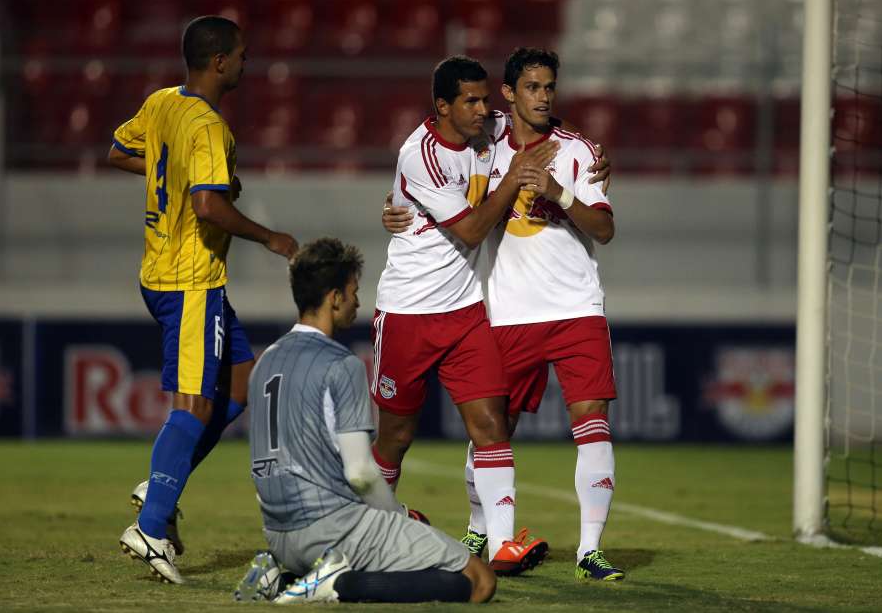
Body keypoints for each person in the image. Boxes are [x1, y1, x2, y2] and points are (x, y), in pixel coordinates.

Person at [383, 47, 624, 581]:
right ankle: (481, 526)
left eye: (550, 88)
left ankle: (590, 550)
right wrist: (399, 208)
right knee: (494, 428)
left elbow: (604, 230)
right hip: (508, 309)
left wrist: (559, 192)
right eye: (532, 88)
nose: (543, 97)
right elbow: (436, 174)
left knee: (592, 420)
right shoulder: (483, 137)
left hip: (576, 307)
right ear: (509, 95)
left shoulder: (578, 151)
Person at [108, 15, 298, 584]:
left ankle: (160, 483)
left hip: (165, 272)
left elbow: (119, 151)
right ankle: (150, 524)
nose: (246, 63)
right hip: (189, 281)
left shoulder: (163, 101)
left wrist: (185, 178)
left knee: (241, 382)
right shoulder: (208, 126)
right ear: (219, 62)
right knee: (192, 405)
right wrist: (271, 238)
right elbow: (209, 207)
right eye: (242, 55)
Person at [370, 55, 560, 576]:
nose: (484, 110)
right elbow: (473, 230)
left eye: (485, 99)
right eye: (471, 102)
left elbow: (535, 119)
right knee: (396, 436)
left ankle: (501, 545)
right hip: (408, 312)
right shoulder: (421, 155)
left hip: (466, 312)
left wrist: (591, 152)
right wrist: (515, 177)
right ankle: (371, 524)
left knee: (490, 424)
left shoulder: (488, 128)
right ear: (442, 107)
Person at [234, 237, 496, 605]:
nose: (358, 301)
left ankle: (282, 576)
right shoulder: (341, 365)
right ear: (334, 297)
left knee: (404, 562)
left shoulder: (266, 362)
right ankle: (333, 587)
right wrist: (399, 517)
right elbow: (360, 472)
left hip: (278, 534)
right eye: (354, 291)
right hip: (332, 527)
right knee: (479, 580)